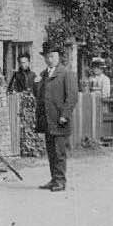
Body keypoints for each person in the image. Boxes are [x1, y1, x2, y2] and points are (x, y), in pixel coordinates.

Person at [36, 45, 77, 192]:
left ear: (58, 57)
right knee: (51, 152)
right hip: (48, 120)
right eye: (47, 56)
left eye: (52, 56)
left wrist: (65, 115)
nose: (49, 59)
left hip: (60, 120)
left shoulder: (66, 74)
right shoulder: (44, 75)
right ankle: (54, 179)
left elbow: (72, 97)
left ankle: (60, 181)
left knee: (59, 152)